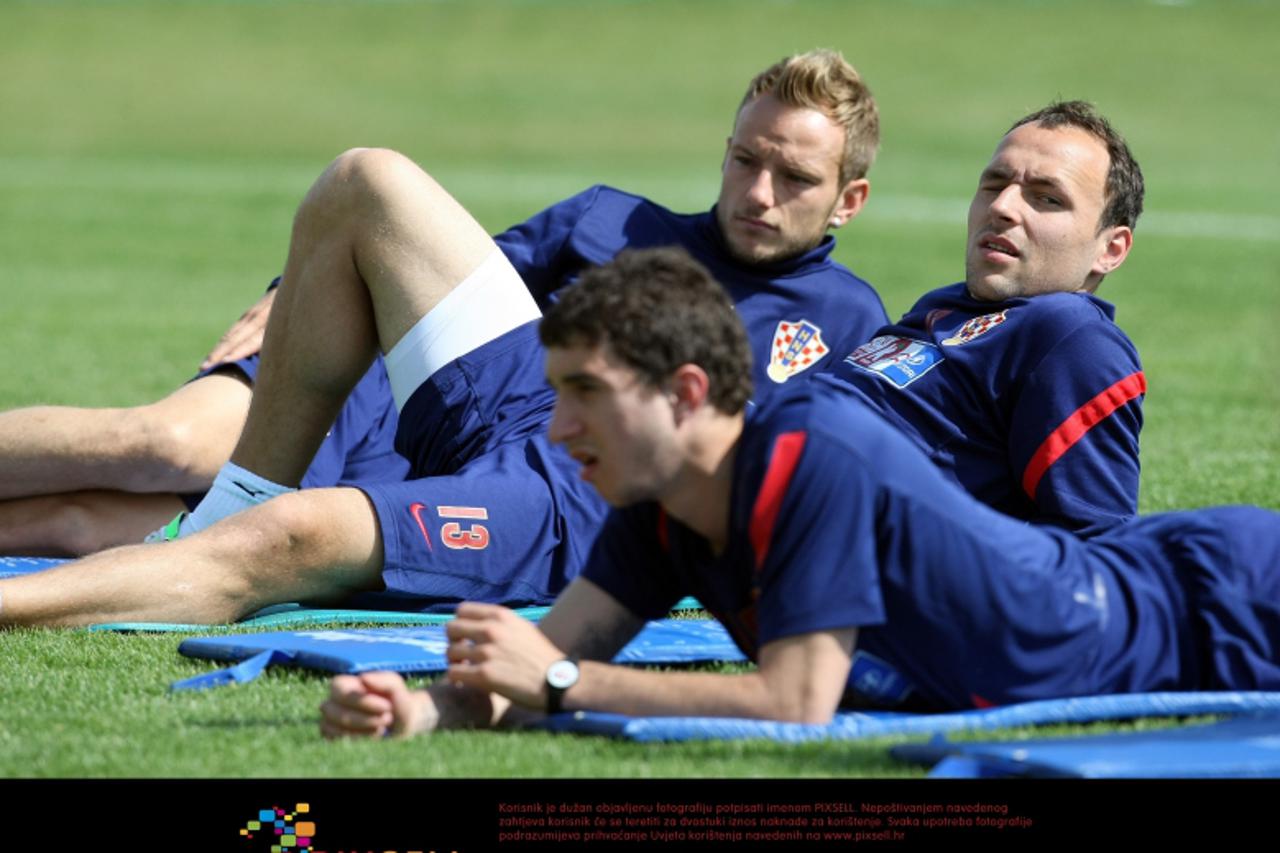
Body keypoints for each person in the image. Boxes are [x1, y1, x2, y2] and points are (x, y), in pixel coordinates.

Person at [0, 49, 885, 624]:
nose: (759, 193)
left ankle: (182, 538)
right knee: (167, 438)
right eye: (746, 159)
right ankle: (236, 499)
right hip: (467, 396)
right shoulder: (611, 217)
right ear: (725, 147)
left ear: (849, 199)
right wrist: (292, 288)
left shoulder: (848, 318)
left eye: (795, 177)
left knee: (114, 519)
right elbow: (429, 271)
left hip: (574, 474)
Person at [317, 248, 1279, 738]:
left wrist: (560, 684)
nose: (559, 428)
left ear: (686, 393)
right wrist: (422, 710)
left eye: (586, 396)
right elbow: (541, 664)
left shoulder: (811, 455)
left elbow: (795, 702)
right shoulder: (659, 501)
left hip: (1218, 600)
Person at [821, 100, 1146, 533]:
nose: (1004, 207)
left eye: (1047, 198)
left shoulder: (1071, 334)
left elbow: (1094, 542)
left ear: (1110, 249)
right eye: (994, 185)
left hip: (803, 518)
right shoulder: (946, 305)